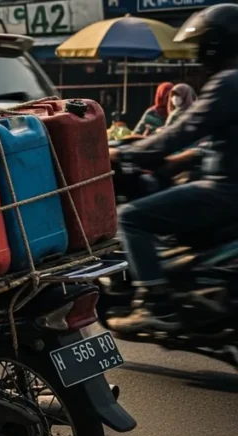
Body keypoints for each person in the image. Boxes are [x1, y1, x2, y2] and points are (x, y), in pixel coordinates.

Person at [108, 4, 238, 333]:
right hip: (223, 184)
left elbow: (179, 133)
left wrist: (123, 155)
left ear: (215, 45)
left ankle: (155, 304)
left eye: (201, 44)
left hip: (224, 191)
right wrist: (185, 159)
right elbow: (217, 139)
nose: (198, 53)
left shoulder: (228, 83)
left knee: (130, 218)